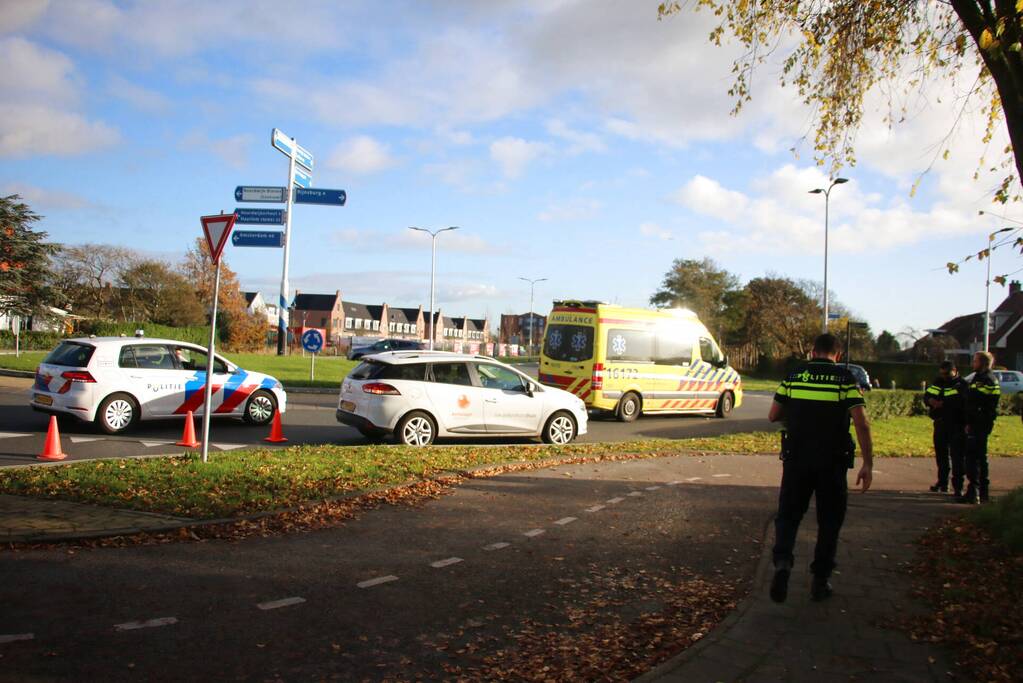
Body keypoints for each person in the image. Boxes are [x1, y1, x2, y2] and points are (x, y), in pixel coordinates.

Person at [767, 333, 873, 603]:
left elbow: (773, 415)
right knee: (829, 521)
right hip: (832, 461)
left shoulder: (795, 375)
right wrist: (868, 463)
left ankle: (782, 564)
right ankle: (820, 580)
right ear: (837, 355)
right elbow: (861, 422)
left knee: (789, 515)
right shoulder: (845, 379)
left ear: (812, 351)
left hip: (797, 458)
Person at [961, 351, 1000, 504]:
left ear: (982, 363)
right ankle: (982, 492)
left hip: (978, 423)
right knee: (980, 457)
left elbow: (973, 402)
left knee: (973, 457)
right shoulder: (985, 378)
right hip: (982, 422)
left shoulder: (985, 380)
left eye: (975, 361)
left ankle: (974, 491)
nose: (973, 363)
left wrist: (969, 422)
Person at [924, 361, 967, 496]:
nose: (944, 376)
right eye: (942, 373)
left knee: (957, 456)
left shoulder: (962, 384)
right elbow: (927, 394)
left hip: (956, 424)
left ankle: (958, 487)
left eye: (947, 373)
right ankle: (942, 482)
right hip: (940, 423)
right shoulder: (938, 381)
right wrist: (931, 401)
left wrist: (943, 403)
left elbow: (960, 401)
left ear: (955, 371)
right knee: (941, 455)